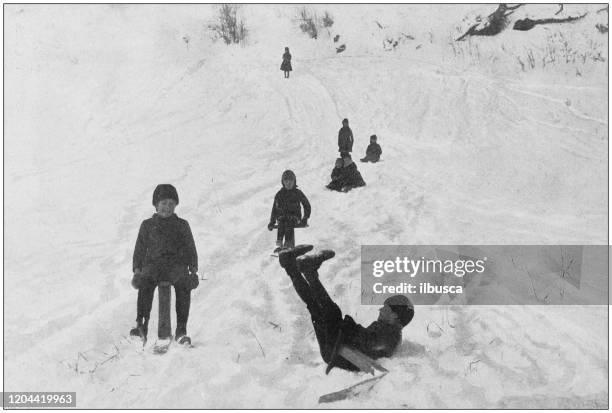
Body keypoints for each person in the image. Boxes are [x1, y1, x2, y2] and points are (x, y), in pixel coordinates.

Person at [278, 245, 414, 372]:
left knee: (332, 311)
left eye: (386, 309)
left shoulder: (391, 336)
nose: (380, 310)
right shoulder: (388, 330)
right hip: (337, 349)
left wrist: (349, 327)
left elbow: (370, 345)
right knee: (315, 307)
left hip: (339, 351)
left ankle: (309, 271)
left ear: (395, 315)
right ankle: (291, 266)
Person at [130, 184, 199, 342]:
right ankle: (141, 327)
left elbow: (190, 248)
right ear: (156, 205)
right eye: (163, 203)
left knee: (183, 285)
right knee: (145, 284)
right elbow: (139, 249)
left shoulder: (182, 225)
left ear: (175, 206)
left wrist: (192, 267)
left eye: (171, 204)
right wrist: (137, 269)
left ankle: (181, 330)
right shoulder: (147, 225)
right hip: (153, 266)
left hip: (176, 266)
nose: (167, 207)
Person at [268, 170, 311, 252]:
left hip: (295, 217)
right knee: (281, 221)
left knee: (289, 221)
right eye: (286, 181)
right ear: (283, 182)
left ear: (294, 181)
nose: (288, 183)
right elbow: (274, 209)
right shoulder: (279, 194)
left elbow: (307, 205)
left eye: (291, 180)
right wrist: (272, 222)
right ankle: (278, 244)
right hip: (283, 216)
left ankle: (288, 244)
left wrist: (305, 218)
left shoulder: (297, 193)